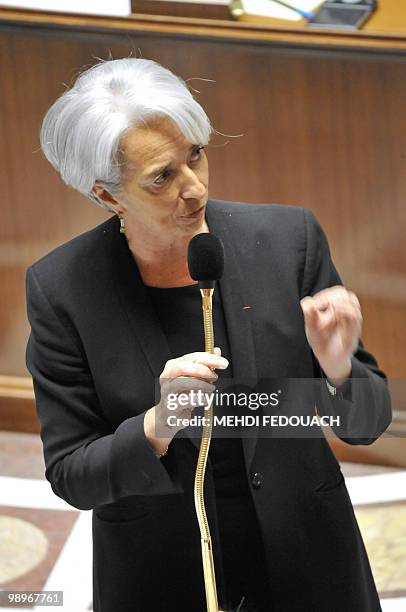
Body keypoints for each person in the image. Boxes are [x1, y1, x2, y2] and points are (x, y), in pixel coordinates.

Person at [26, 58, 391, 612]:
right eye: (161, 177)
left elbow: (367, 423)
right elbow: (73, 475)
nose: (194, 188)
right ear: (107, 196)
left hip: (307, 559)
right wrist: (155, 425)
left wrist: (339, 372)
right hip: (160, 571)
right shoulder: (63, 290)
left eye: (194, 155)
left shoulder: (288, 240)